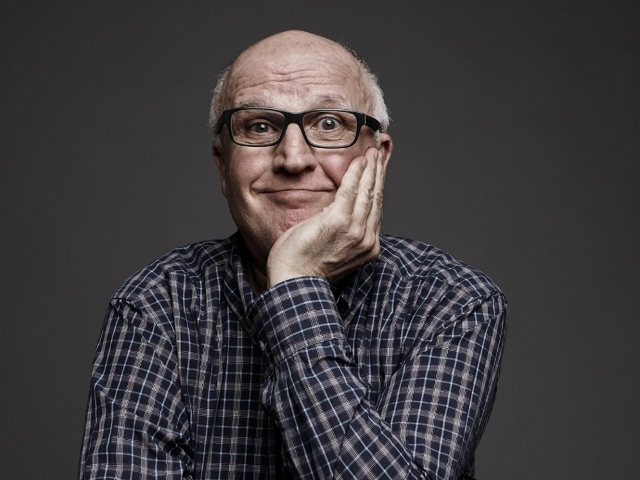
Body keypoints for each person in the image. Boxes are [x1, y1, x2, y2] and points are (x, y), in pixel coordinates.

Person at [78, 30, 507, 480]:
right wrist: (301, 283)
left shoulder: (453, 301)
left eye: (329, 124)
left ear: (377, 159)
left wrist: (293, 286)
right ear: (222, 164)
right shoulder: (155, 306)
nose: (294, 158)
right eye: (260, 127)